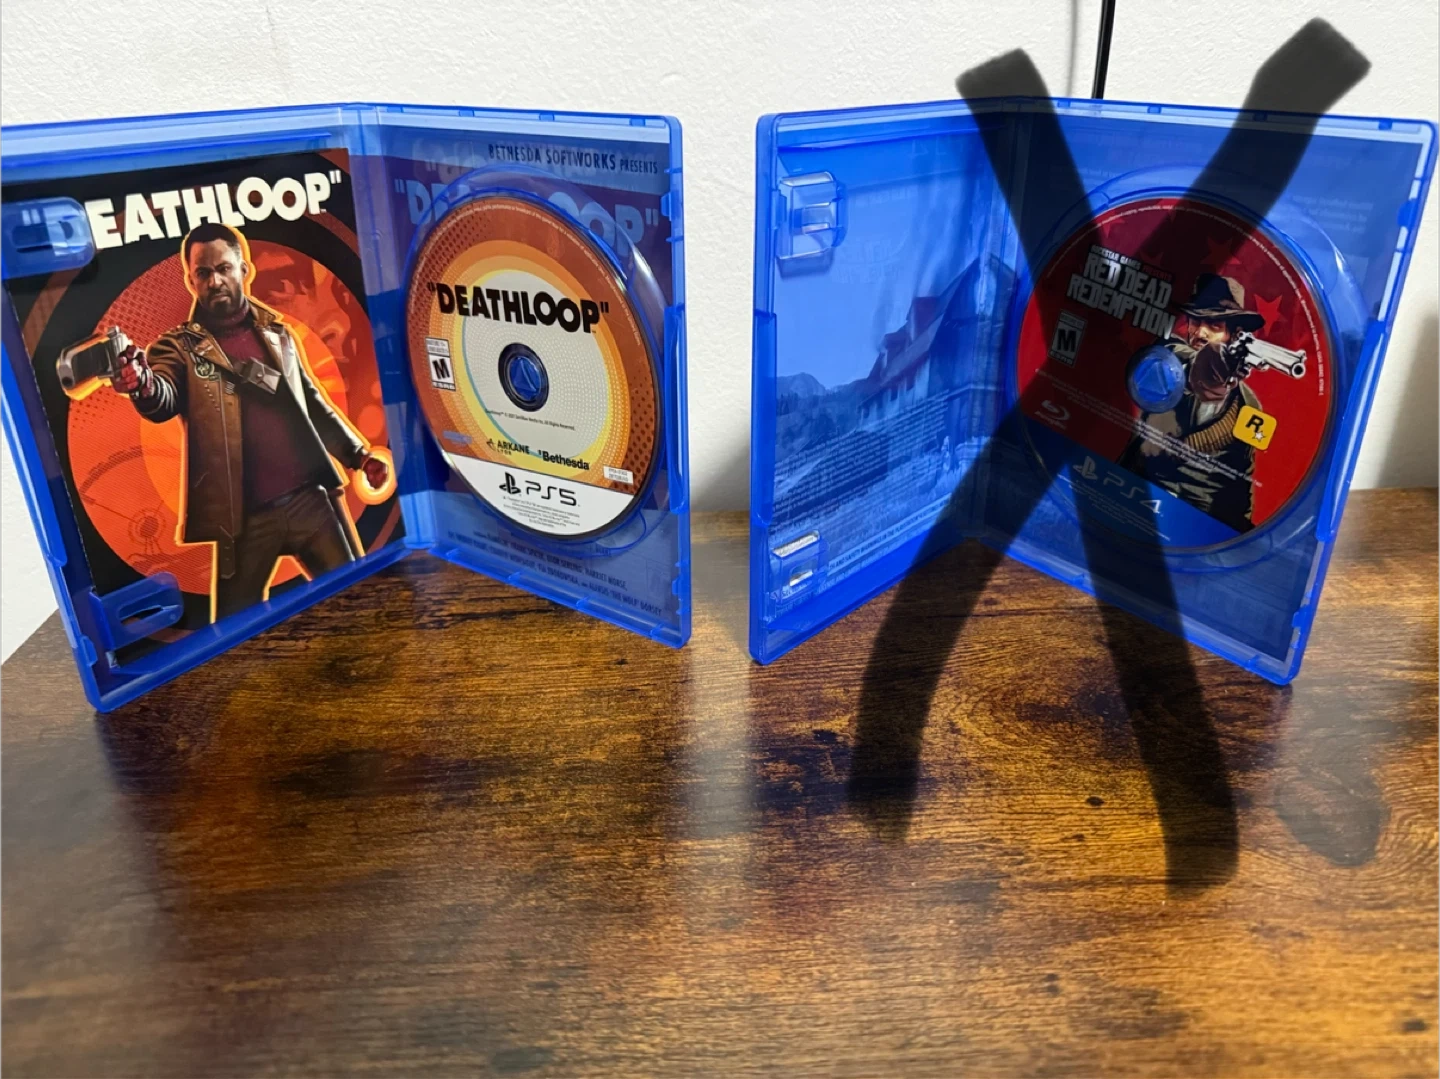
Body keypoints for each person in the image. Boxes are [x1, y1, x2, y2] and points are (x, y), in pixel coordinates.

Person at [113, 222, 388, 620]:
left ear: (244, 269)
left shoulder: (278, 333)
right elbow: (163, 398)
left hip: (310, 502)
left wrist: (359, 456)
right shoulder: (177, 348)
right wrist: (141, 383)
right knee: (232, 635)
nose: (215, 281)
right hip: (241, 521)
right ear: (190, 281)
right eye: (203, 273)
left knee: (357, 607)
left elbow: (312, 405)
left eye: (223, 268)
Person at [1118, 273, 1266, 533]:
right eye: (1196, 321)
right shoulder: (1167, 357)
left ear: (1235, 335)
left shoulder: (1249, 407)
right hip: (1131, 502)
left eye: (1214, 325)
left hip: (1198, 527)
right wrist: (1201, 370)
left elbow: (1241, 485)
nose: (1200, 333)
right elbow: (1184, 358)